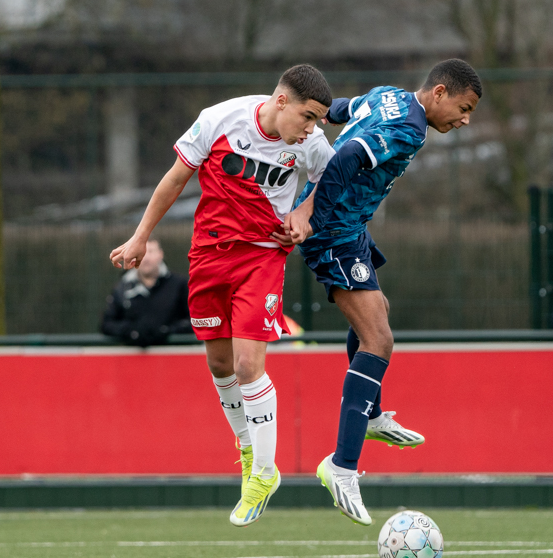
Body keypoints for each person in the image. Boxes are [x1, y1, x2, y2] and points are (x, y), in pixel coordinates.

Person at [109, 64, 335, 526]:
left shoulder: (311, 144)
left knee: (250, 364)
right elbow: (174, 179)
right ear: (280, 102)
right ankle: (249, 451)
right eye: (307, 117)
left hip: (263, 257)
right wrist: (139, 237)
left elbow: (330, 182)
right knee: (219, 364)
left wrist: (305, 213)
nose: (310, 130)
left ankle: (266, 473)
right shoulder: (220, 119)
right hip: (209, 256)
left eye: (317, 122)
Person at [280, 59, 483, 526]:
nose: (465, 118)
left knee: (379, 313)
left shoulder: (386, 94)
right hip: (333, 229)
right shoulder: (410, 129)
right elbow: (350, 154)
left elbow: (336, 111)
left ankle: (368, 414)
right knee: (379, 340)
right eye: (463, 107)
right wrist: (310, 209)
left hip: (350, 226)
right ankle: (342, 465)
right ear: (439, 92)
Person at [101, 238, 192, 346]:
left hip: (174, 357)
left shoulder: (180, 285)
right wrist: (132, 332)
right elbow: (106, 324)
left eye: (150, 251)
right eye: (141, 252)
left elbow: (194, 321)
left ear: (160, 254)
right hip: (133, 359)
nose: (146, 258)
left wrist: (166, 331)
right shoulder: (122, 287)